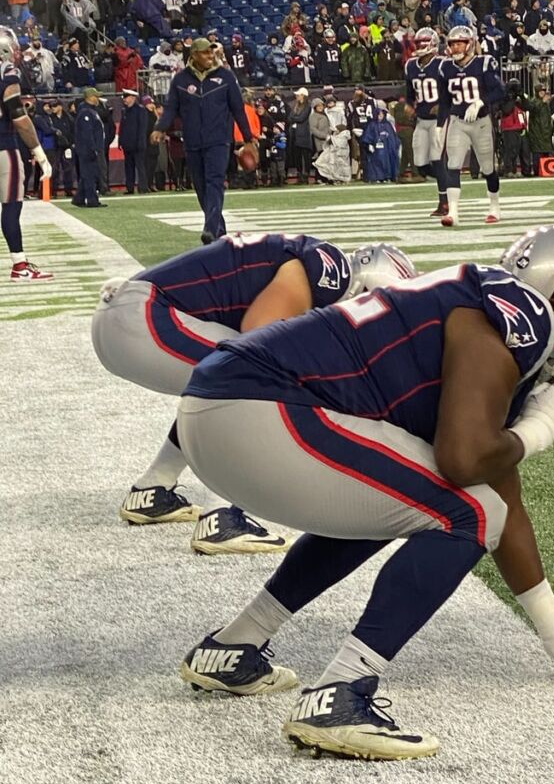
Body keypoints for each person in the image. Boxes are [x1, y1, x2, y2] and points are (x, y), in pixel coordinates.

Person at [174, 229, 554, 759]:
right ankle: (341, 693)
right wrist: (538, 431)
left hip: (216, 410)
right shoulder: (514, 317)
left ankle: (233, 646)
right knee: (467, 513)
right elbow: (466, 465)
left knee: (400, 502)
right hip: (260, 409)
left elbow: (503, 495)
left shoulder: (471, 308)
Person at [91, 234, 358, 555]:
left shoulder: (310, 262)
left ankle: (152, 489)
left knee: (225, 380)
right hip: (142, 316)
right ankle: (222, 514)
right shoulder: (329, 266)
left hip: (122, 319)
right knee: (257, 373)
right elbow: (260, 332)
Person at [151, 38, 258, 244]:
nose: (211, 56)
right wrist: (160, 127)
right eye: (205, 53)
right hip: (192, 142)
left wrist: (248, 139)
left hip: (219, 140)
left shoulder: (226, 77)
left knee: (214, 182)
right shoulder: (181, 80)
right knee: (200, 187)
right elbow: (171, 107)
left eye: (212, 53)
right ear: (194, 56)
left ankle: (209, 229)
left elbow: (238, 109)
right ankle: (220, 231)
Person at [438, 25, 505, 227]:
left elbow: (500, 91)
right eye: (453, 44)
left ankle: (494, 206)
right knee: (453, 164)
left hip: (481, 122)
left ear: (470, 44)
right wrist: (440, 125)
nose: (456, 48)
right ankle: (453, 213)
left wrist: (480, 102)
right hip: (458, 121)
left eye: (459, 44)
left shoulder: (484, 63)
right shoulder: (445, 68)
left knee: (487, 168)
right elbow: (444, 101)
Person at [0, 28, 53, 281]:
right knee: (11, 204)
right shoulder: (8, 74)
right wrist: (39, 152)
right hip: (3, 147)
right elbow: (18, 117)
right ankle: (19, 266)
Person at [405, 27, 448, 216]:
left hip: (439, 120)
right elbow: (409, 93)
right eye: (418, 42)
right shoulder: (411, 65)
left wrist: (443, 104)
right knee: (420, 165)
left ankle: (444, 201)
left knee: (437, 160)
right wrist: (408, 104)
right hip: (421, 119)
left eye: (423, 42)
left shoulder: (442, 64)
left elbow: (452, 90)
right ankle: (449, 180)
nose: (420, 46)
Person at [72, 87, 106, 208]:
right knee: (90, 175)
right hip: (87, 149)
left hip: (88, 149)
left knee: (88, 174)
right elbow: (87, 133)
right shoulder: (86, 112)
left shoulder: (89, 111)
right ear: (90, 98)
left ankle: (79, 198)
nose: (98, 99)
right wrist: (93, 149)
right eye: (96, 96)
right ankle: (92, 200)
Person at [118, 88, 148, 194]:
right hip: (127, 144)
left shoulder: (141, 110)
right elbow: (122, 127)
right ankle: (130, 188)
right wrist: (120, 141)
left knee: (140, 166)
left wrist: (140, 142)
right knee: (128, 167)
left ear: (133, 98)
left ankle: (143, 187)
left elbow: (142, 128)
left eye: (126, 97)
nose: (124, 99)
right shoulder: (124, 110)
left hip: (137, 144)